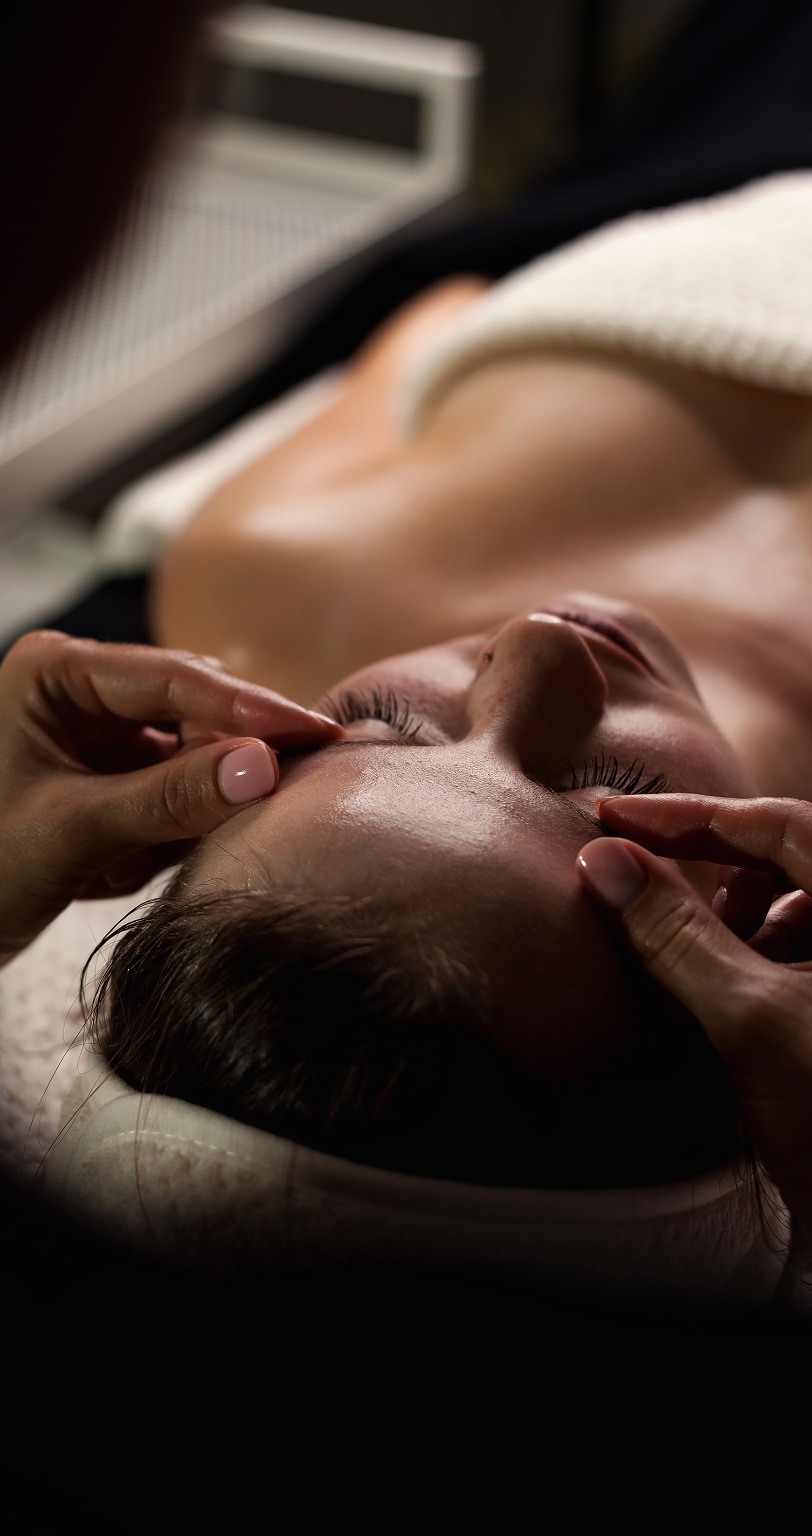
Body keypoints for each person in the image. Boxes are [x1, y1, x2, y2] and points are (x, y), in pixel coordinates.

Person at [78, 173, 812, 1262]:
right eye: (605, 788)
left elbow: (440, 305)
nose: (536, 648)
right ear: (756, 941)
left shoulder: (264, 572)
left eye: (382, 723)